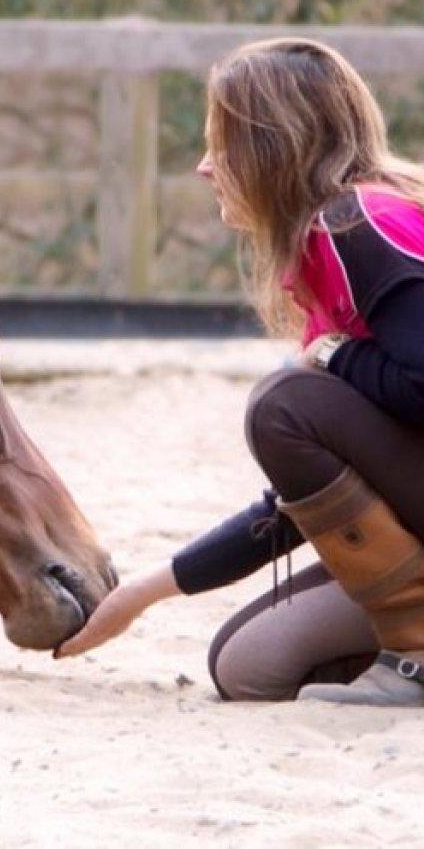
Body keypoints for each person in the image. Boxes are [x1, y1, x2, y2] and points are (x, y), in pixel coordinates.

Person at [56, 37, 424, 706]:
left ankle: (415, 656)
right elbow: (318, 494)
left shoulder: (361, 224)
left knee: (283, 402)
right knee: (250, 667)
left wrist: (337, 357)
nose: (203, 167)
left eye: (222, 144)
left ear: (277, 145)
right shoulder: (325, 253)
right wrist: (144, 592)